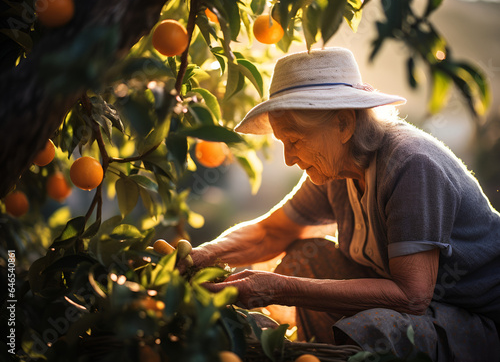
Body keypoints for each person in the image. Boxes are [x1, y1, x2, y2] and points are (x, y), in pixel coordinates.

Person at [187, 48, 500, 361]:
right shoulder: (335, 169)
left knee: (377, 327)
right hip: (429, 305)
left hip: (477, 318)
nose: (289, 158)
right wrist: (201, 256)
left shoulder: (411, 165)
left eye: (294, 141)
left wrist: (281, 288)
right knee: (304, 260)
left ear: (343, 124)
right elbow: (271, 232)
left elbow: (411, 296)